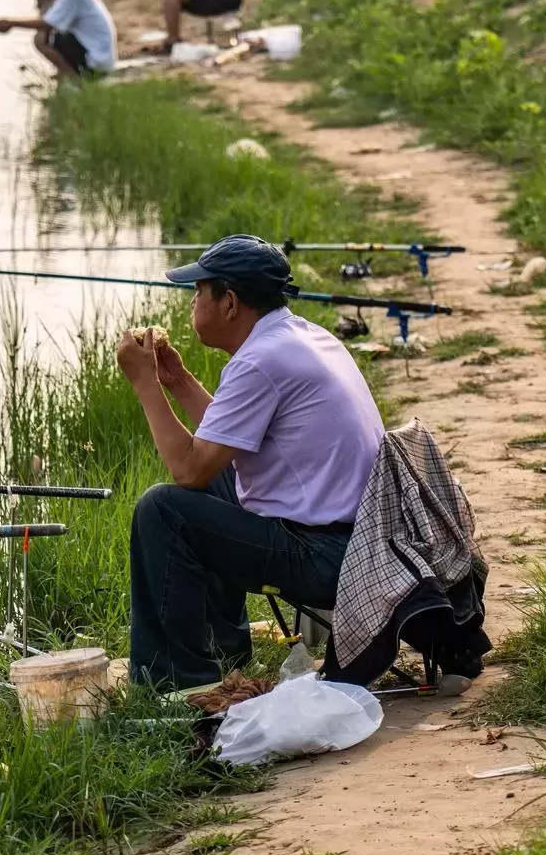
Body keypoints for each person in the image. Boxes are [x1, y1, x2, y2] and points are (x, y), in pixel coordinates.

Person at [116, 234, 385, 690]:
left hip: (328, 557)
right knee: (213, 488)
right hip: (360, 539)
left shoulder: (258, 361)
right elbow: (226, 441)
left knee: (163, 508)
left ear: (230, 303)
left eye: (199, 291)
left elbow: (188, 468)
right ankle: (225, 650)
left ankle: (175, 681)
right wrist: (177, 380)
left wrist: (144, 382)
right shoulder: (300, 336)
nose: (193, 301)